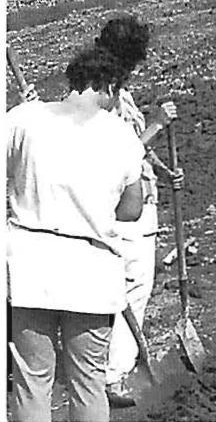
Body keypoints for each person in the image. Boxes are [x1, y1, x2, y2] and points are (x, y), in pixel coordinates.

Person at [7, 45, 146, 422]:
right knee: (87, 383)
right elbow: (131, 209)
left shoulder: (24, 119)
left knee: (32, 382)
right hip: (92, 270)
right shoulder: (121, 136)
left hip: (30, 266)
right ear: (110, 86)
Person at [95, 16, 172, 408]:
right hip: (126, 209)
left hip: (138, 198)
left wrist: (163, 170)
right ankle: (113, 375)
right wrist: (156, 125)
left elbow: (136, 149)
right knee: (134, 288)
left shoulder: (117, 93)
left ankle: (109, 367)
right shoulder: (105, 99)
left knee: (127, 289)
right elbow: (120, 154)